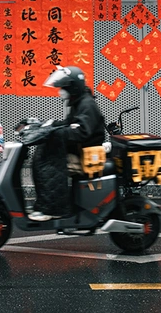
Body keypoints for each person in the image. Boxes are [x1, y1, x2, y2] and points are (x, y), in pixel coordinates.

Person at [28, 66, 106, 221]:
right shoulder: (79, 102)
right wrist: (50, 125)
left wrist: (56, 132)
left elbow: (81, 131)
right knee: (40, 157)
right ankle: (45, 204)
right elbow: (69, 123)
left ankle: (54, 209)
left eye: (64, 87)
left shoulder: (87, 104)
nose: (60, 91)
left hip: (85, 153)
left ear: (73, 87)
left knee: (47, 165)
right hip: (78, 150)